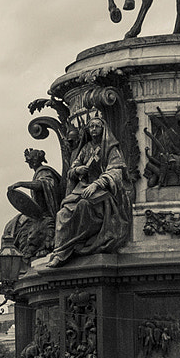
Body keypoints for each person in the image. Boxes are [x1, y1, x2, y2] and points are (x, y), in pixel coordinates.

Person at [45, 111, 132, 268]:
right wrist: (78, 170)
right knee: (62, 213)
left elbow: (116, 170)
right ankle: (60, 251)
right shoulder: (85, 148)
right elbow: (72, 168)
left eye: (97, 126)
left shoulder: (110, 149)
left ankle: (77, 245)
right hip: (83, 188)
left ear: (103, 129)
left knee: (84, 206)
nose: (93, 129)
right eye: (91, 126)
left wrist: (97, 184)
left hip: (103, 191)